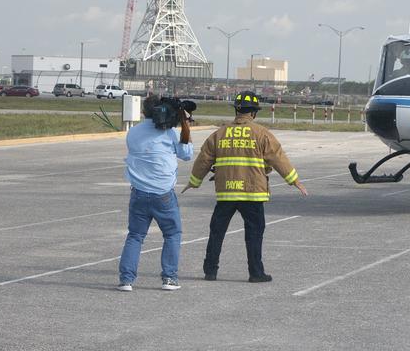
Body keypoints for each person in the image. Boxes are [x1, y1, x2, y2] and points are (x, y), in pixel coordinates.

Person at [184, 90, 307, 283]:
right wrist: (294, 181)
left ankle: (210, 271)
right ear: (254, 113)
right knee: (254, 234)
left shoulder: (219, 134)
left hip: (226, 193)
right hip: (252, 193)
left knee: (217, 232)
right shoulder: (262, 134)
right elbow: (278, 158)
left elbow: (204, 160)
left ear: (237, 111)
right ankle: (256, 273)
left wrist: (194, 181)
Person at [118, 95, 195, 292]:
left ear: (145, 112)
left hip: (139, 193)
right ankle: (169, 278)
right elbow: (187, 155)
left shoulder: (133, 133)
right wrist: (185, 126)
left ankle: (126, 280)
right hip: (164, 194)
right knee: (172, 234)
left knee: (135, 235)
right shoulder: (170, 134)